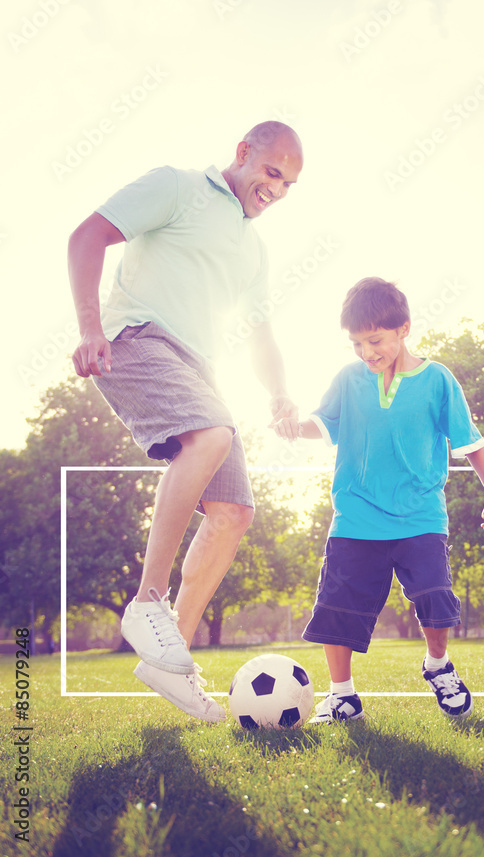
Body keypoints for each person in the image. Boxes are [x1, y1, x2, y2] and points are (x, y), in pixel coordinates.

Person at [69, 121, 304, 722]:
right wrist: (91, 328)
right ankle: (148, 602)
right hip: (137, 338)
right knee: (213, 433)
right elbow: (87, 235)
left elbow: (259, 333)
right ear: (243, 153)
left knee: (234, 513)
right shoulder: (177, 186)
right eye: (271, 172)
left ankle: (171, 660)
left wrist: (278, 392)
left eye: (289, 184)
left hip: (200, 367)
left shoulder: (254, 250)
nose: (276, 189)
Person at [274, 277, 484, 722]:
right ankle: (342, 696)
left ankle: (438, 666)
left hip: (420, 516)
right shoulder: (348, 379)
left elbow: (469, 440)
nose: (367, 352)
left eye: (374, 340)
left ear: (404, 329)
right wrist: (291, 426)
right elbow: (321, 425)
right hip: (356, 517)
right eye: (357, 344)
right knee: (337, 608)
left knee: (436, 598)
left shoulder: (437, 379)